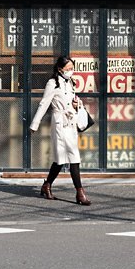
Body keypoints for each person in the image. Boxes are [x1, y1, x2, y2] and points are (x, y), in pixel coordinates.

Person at [29, 56, 92, 205]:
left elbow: (72, 101)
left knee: (69, 159)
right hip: (60, 125)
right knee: (64, 159)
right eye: (68, 69)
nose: (71, 71)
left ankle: (49, 186)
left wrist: (77, 104)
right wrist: (35, 124)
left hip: (71, 124)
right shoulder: (52, 83)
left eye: (72, 68)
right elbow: (44, 104)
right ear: (60, 69)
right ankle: (78, 193)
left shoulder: (71, 82)